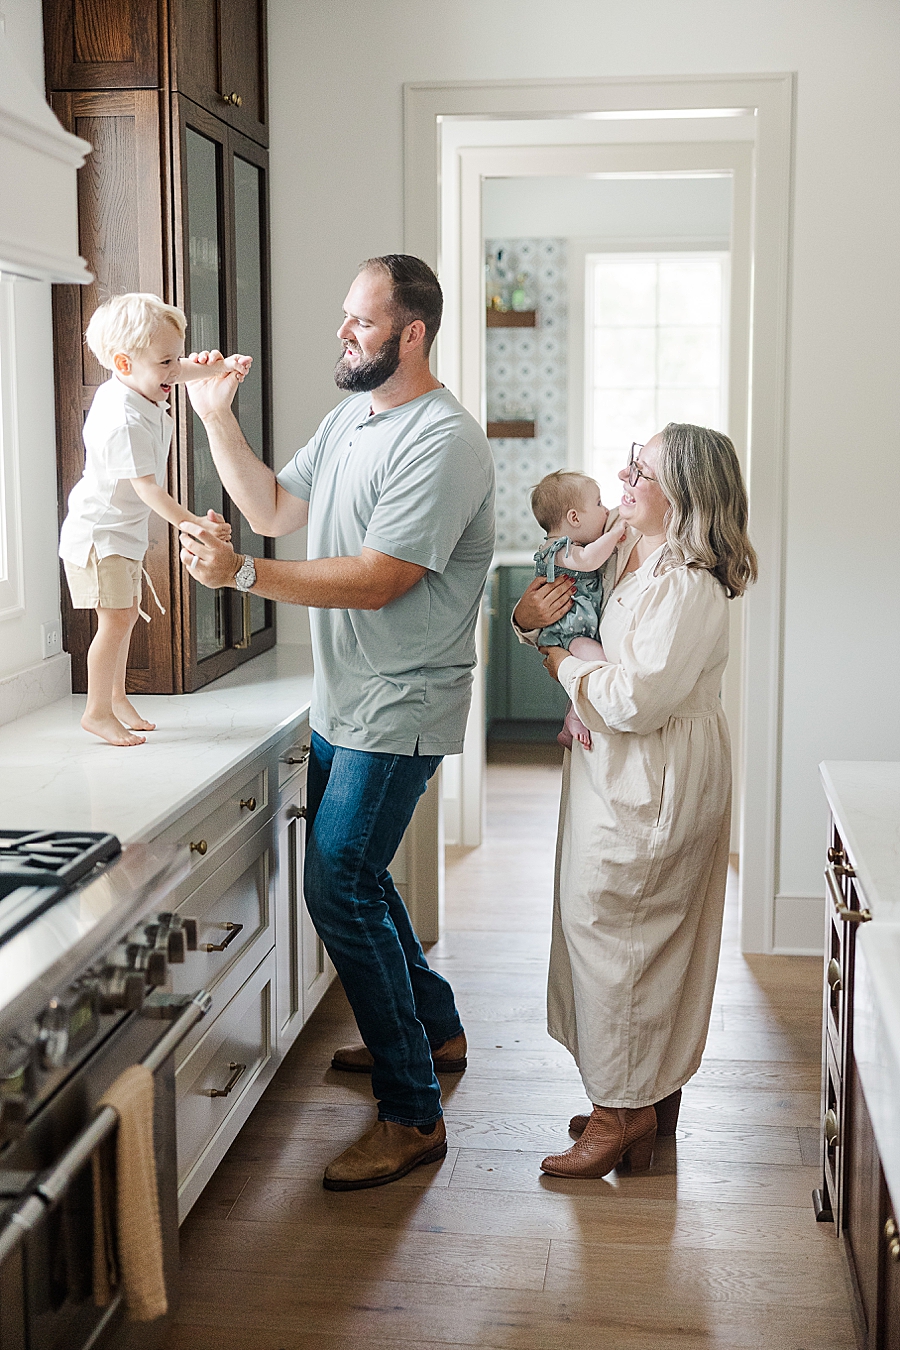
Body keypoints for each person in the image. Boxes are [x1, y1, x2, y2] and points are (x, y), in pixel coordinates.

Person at [177, 255, 495, 1191]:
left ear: (412, 333)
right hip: (342, 700)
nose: (345, 335)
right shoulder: (355, 417)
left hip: (400, 703)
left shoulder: (444, 441)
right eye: (346, 319)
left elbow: (380, 575)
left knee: (337, 890)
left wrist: (240, 576)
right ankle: (433, 1031)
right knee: (355, 878)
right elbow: (273, 508)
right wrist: (215, 417)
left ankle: (412, 1115)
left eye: (362, 323)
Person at [513, 425, 757, 1178]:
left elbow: (635, 697)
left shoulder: (687, 585)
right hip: (620, 770)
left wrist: (556, 660)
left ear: (682, 494)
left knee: (625, 937)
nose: (620, 476)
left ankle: (623, 1113)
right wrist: (532, 623)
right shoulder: (630, 553)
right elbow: (562, 613)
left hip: (654, 773)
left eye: (639, 469)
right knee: (612, 927)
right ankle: (641, 1100)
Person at [58, 293, 250, 746]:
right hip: (99, 537)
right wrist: (193, 525)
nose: (175, 370)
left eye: (176, 358)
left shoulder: (142, 382)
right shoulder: (121, 416)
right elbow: (147, 489)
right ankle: (96, 711)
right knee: (117, 621)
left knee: (123, 620)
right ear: (124, 364)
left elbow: (182, 372)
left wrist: (221, 370)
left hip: (120, 533)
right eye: (166, 361)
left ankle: (117, 699)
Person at [529, 470, 626, 750]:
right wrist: (616, 533)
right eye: (598, 504)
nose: (605, 510)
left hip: (580, 629)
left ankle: (569, 722)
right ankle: (577, 717)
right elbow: (587, 561)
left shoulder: (570, 545)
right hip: (569, 634)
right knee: (602, 667)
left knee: (585, 673)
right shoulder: (557, 549)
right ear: (574, 518)